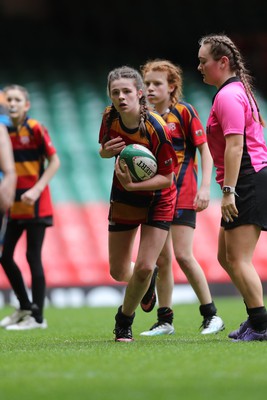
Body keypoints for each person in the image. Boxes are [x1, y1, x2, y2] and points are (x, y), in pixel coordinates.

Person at [139, 59, 224, 336]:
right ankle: (165, 320)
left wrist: (204, 189)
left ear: (171, 86)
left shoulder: (184, 112)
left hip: (184, 192)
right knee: (163, 260)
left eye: (156, 84)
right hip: (157, 196)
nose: (150, 89)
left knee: (184, 256)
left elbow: (205, 151)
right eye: (147, 84)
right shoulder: (146, 118)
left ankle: (211, 315)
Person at [98, 66, 178, 342]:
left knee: (143, 266)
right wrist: (104, 152)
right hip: (124, 198)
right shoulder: (109, 118)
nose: (121, 97)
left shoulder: (157, 128)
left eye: (126, 91)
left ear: (139, 94)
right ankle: (147, 282)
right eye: (115, 92)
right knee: (119, 271)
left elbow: (168, 179)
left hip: (158, 199)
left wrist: (134, 184)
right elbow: (104, 150)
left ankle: (124, 321)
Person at [197, 33, 267, 341]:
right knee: (226, 257)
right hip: (248, 179)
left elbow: (235, 146)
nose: (199, 67)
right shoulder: (237, 91)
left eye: (203, 61)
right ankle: (256, 319)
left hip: (246, 181)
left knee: (239, 259)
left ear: (222, 62)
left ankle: (261, 325)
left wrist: (228, 191)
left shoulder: (228, 96)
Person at [0, 84, 60, 330]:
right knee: (5, 256)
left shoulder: (34, 128)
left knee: (32, 256)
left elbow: (55, 160)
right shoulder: (4, 131)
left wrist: (37, 189)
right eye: (9, 99)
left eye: (17, 100)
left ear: (26, 105)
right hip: (14, 204)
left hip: (36, 204)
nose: (12, 103)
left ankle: (38, 318)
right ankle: (26, 306)